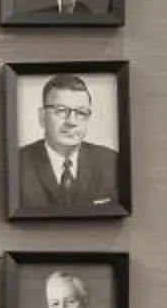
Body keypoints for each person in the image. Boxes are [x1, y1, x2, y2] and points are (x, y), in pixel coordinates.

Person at [12, 72, 125, 211]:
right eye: (61, 111)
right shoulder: (17, 165)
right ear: (42, 117)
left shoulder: (111, 163)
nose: (71, 122)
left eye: (81, 112)